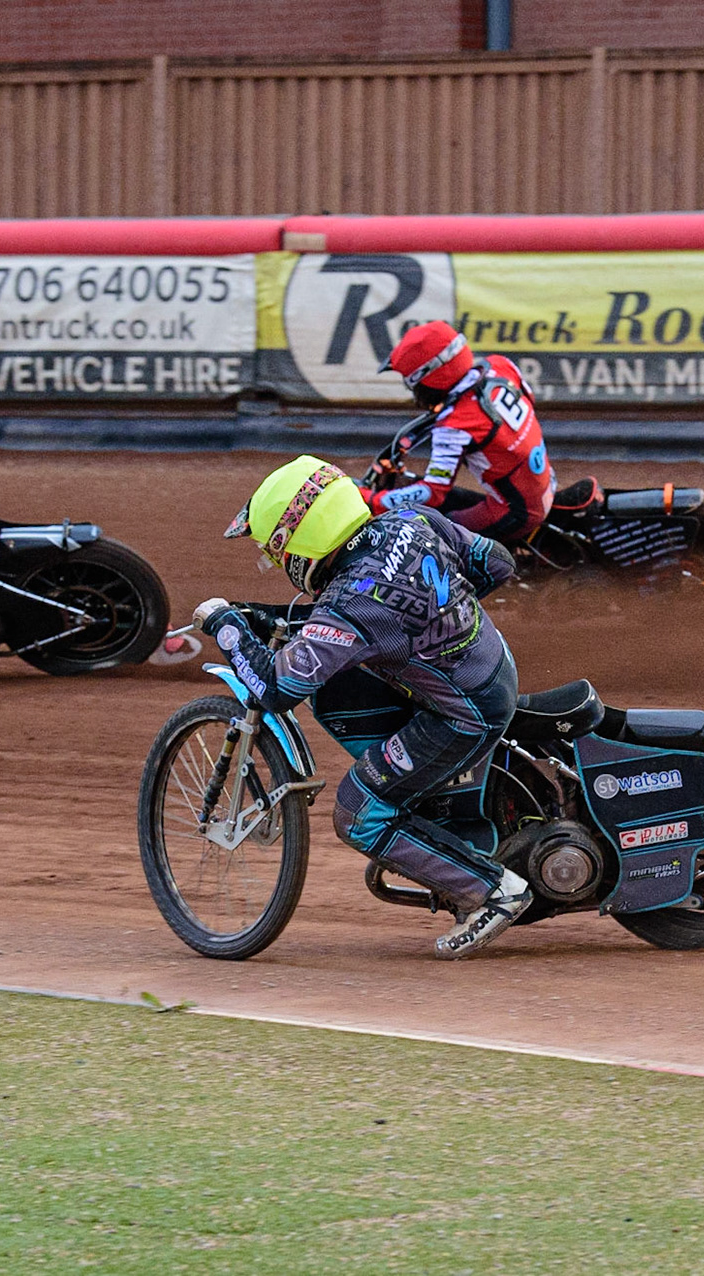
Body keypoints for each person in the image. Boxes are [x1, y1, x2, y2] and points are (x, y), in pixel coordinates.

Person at [193, 454, 532, 958]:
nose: (277, 562)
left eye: (273, 551)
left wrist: (226, 625)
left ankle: (493, 890)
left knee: (358, 812)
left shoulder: (350, 606)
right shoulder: (409, 521)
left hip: (465, 712)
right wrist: (439, 614)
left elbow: (275, 689)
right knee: (343, 686)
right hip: (492, 664)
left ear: (299, 542)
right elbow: (497, 562)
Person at [369, 320, 556, 543]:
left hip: (518, 511)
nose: (414, 393)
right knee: (438, 496)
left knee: (434, 530)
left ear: (430, 376)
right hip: (542, 483)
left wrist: (373, 500)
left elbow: (433, 493)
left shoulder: (454, 425)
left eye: (412, 384)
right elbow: (529, 401)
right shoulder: (500, 365)